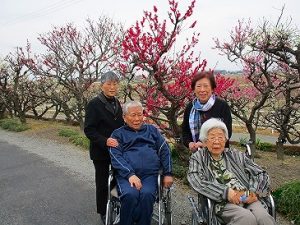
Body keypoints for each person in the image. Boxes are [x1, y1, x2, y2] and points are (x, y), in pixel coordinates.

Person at [187, 118, 276, 225]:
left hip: (247, 196)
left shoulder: (236, 155)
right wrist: (225, 192)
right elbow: (195, 180)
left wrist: (254, 192)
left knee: (264, 219)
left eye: (220, 137)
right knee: (246, 218)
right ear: (205, 141)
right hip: (223, 203)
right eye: (212, 137)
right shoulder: (198, 158)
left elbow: (260, 173)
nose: (217, 141)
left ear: (225, 140)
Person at [109, 101, 173, 225]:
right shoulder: (118, 134)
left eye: (140, 114)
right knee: (130, 195)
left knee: (147, 195)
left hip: (150, 175)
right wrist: (130, 174)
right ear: (124, 117)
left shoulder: (152, 131)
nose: (137, 119)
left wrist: (168, 173)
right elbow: (116, 156)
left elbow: (165, 150)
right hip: (126, 176)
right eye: (133, 115)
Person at [84, 71, 124, 224]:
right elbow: (89, 130)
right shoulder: (94, 104)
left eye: (115, 84)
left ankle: (115, 203)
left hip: (117, 150)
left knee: (117, 178)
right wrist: (105, 141)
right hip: (100, 151)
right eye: (109, 84)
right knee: (102, 182)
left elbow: (120, 123)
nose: (112, 87)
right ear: (102, 86)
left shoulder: (117, 102)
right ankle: (102, 210)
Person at [181, 71, 232, 152]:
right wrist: (189, 143)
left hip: (219, 152)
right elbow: (185, 131)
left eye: (206, 86)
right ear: (194, 89)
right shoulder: (190, 107)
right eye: (198, 86)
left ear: (212, 88)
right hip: (197, 154)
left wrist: (204, 143)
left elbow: (227, 132)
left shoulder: (222, 106)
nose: (202, 90)